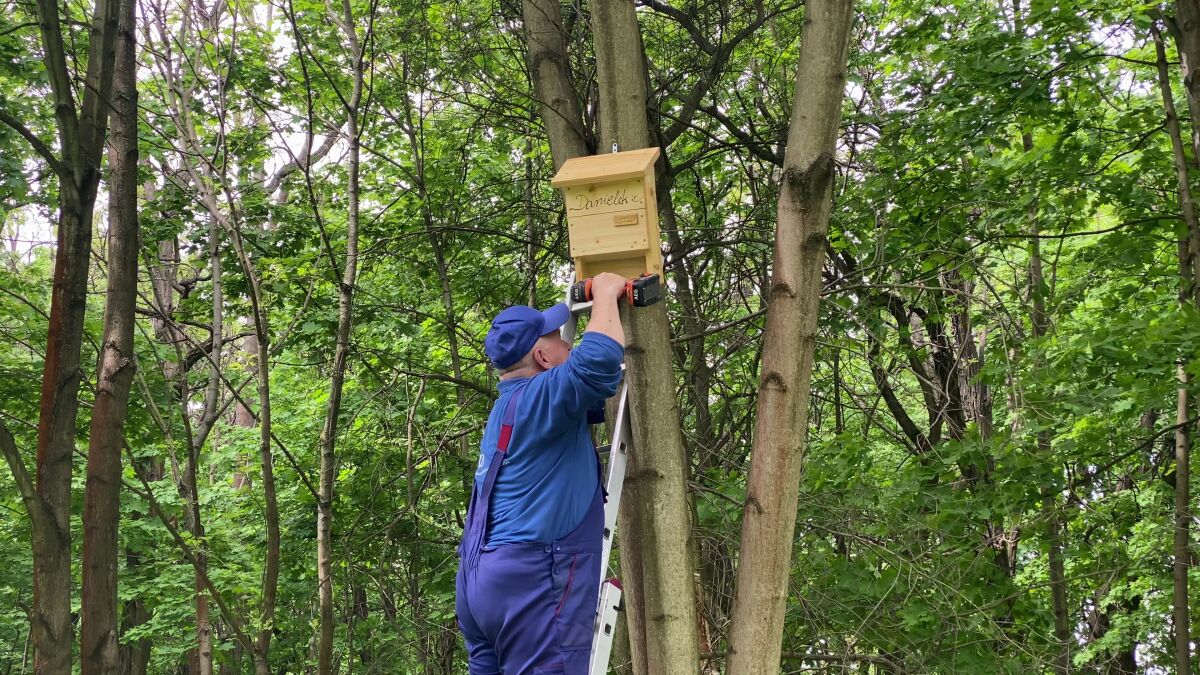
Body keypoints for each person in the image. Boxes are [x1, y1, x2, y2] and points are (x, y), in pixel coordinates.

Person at [456, 272, 628, 675]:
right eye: (557, 338)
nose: (567, 341)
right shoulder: (539, 400)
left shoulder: (508, 408)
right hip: (531, 579)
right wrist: (605, 292)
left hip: (479, 583)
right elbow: (600, 360)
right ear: (542, 357)